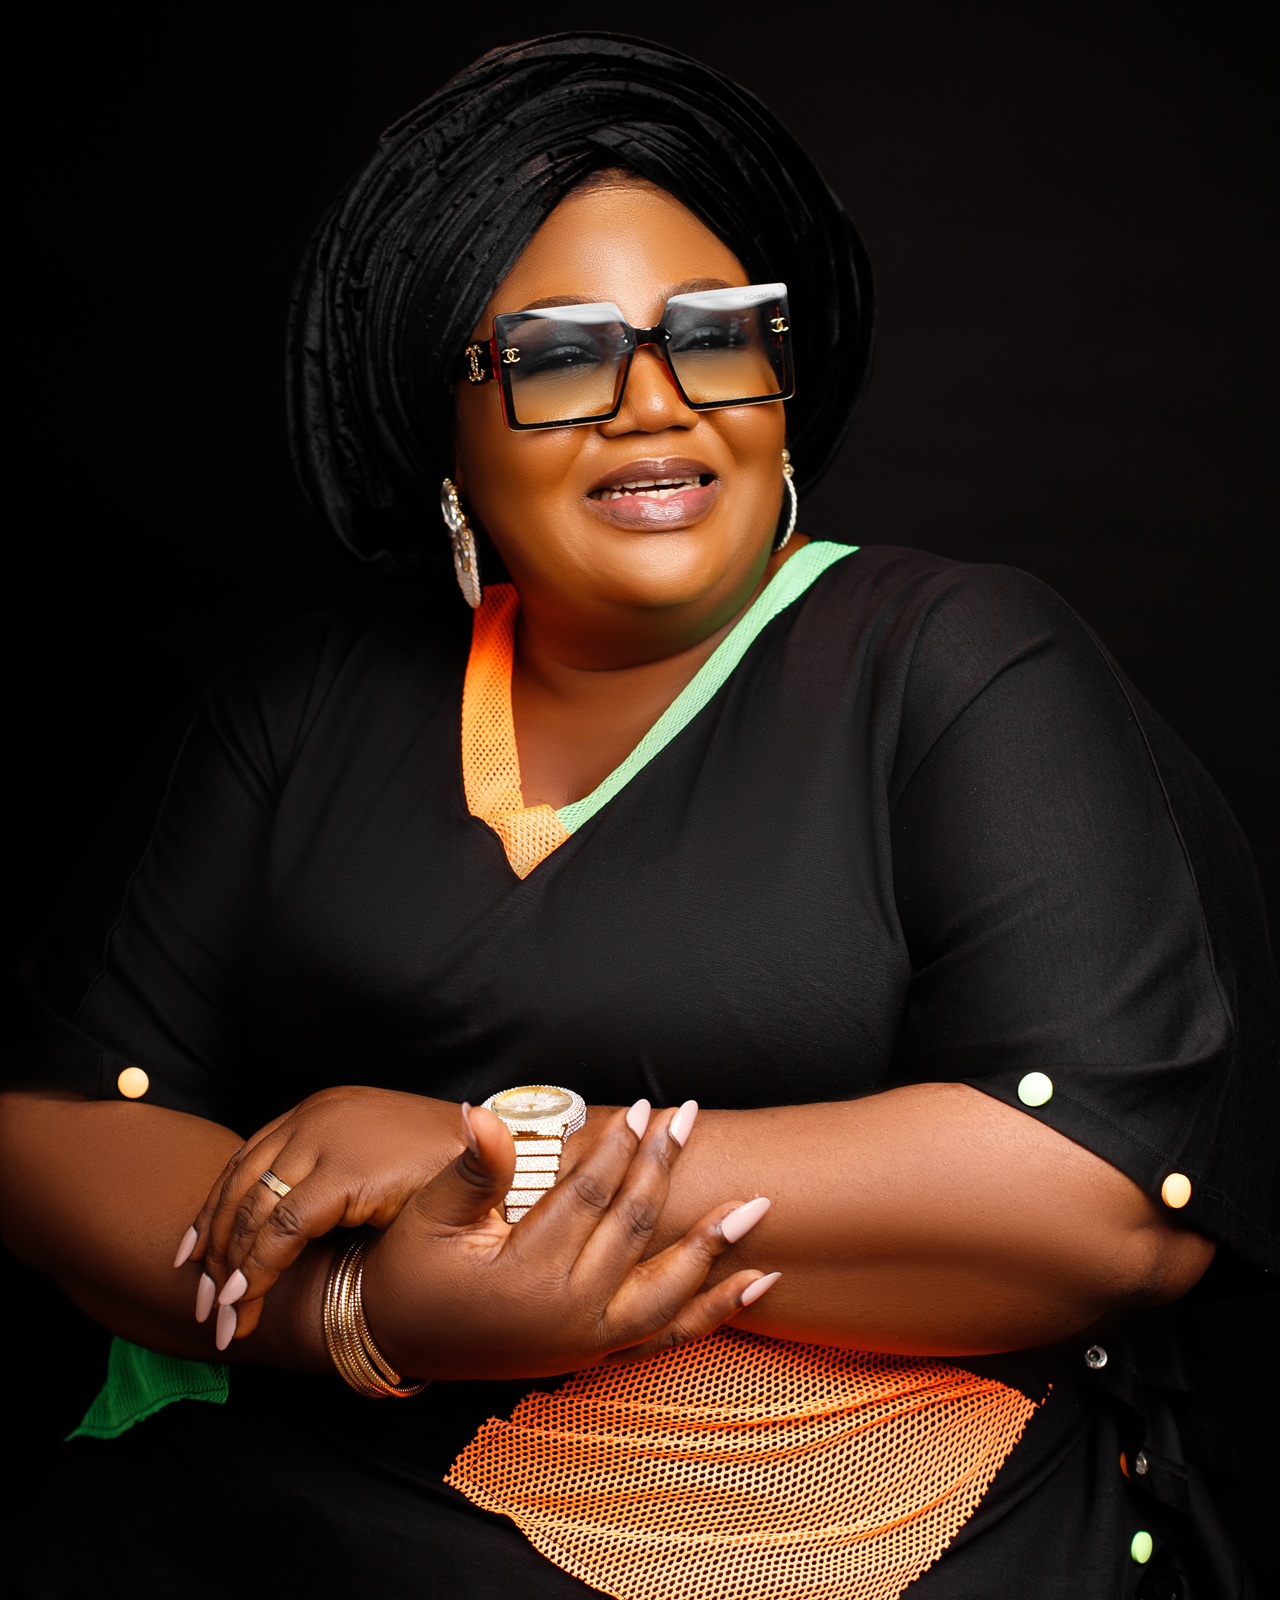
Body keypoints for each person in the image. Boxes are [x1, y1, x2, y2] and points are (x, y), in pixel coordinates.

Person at [1, 30, 1275, 1600]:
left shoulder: (956, 663)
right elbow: (65, 1126)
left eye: (717, 339)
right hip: (333, 1494)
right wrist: (362, 1317)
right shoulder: (305, 708)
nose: (657, 406)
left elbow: (1102, 1198)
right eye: (561, 358)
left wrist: (512, 1161)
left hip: (866, 1519)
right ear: (446, 432)